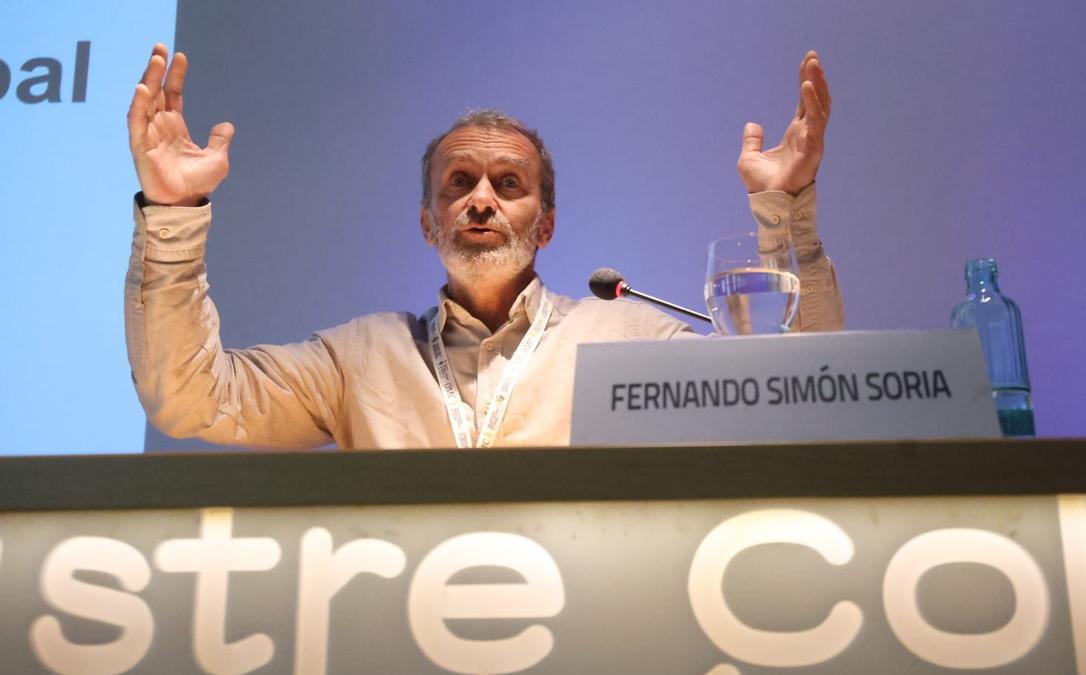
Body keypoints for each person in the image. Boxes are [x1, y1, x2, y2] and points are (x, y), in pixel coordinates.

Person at [124, 43, 844, 449]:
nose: (481, 198)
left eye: (508, 182)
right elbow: (194, 399)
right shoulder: (358, 358)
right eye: (459, 181)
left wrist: (784, 212)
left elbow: (793, 401)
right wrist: (172, 209)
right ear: (427, 222)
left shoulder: (626, 333)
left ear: (547, 223)